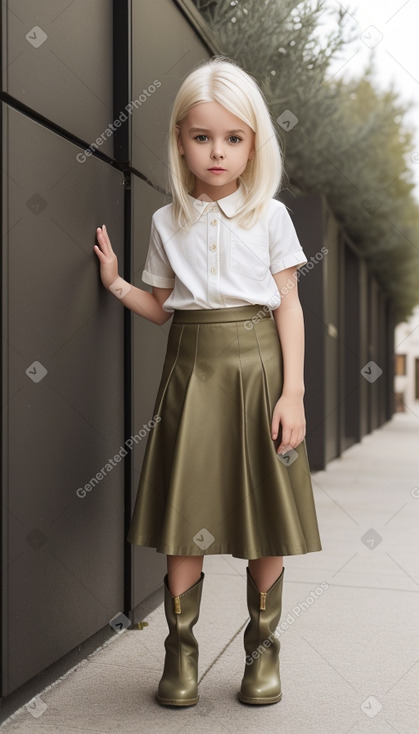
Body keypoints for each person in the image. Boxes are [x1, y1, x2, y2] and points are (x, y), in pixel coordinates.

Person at [94, 56, 322, 708]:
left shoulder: (271, 217)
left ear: (253, 144)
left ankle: (262, 653)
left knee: (267, 519)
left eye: (233, 138)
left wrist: (294, 394)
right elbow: (163, 307)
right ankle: (181, 653)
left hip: (260, 370)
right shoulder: (168, 223)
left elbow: (289, 307)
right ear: (179, 141)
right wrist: (116, 285)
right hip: (190, 369)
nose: (216, 152)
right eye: (201, 137)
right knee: (184, 517)